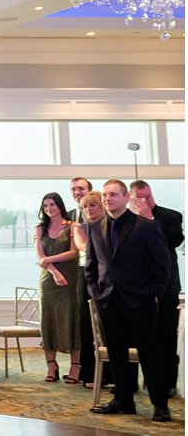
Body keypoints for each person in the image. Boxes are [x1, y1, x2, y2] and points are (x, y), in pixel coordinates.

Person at [87, 179, 173, 422]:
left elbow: (162, 265)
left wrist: (153, 293)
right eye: (105, 195)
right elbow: (92, 266)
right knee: (116, 353)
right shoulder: (94, 227)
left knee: (150, 353)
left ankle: (160, 404)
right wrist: (95, 291)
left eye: (113, 194)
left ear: (126, 198)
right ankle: (123, 400)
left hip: (140, 301)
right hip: (108, 301)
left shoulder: (145, 227)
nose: (108, 199)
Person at [130, 179, 183, 392]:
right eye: (140, 199)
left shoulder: (170, 216)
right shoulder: (127, 220)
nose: (145, 202)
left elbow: (174, 240)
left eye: (148, 198)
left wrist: (150, 219)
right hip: (138, 288)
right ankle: (143, 381)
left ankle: (168, 383)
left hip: (166, 286)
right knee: (141, 335)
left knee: (166, 336)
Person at [34, 192, 82, 383]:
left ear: (60, 206)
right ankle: (51, 365)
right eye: (45, 206)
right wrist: (54, 271)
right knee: (48, 319)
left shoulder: (72, 226)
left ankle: (75, 365)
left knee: (72, 319)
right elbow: (39, 257)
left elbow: (74, 252)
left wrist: (49, 260)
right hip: (48, 280)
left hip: (70, 279)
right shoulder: (40, 228)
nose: (49, 209)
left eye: (52, 204)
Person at [68, 177, 102, 388]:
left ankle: (108, 374)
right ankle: (87, 371)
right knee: (84, 322)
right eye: (73, 189)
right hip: (82, 272)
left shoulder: (105, 219)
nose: (77, 192)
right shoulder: (70, 218)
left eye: (80, 188)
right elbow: (77, 246)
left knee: (106, 323)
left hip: (105, 273)